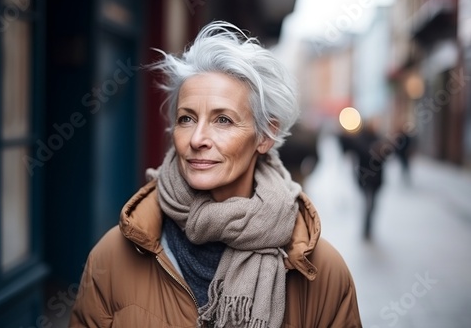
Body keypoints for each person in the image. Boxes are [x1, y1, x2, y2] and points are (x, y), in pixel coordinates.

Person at [69, 21, 362, 328]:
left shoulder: (320, 271)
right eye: (186, 118)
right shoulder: (113, 257)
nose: (197, 139)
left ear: (265, 136)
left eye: (222, 120)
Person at [339, 120, 390, 240]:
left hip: (377, 178)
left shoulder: (379, 138)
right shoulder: (360, 139)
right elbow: (357, 151)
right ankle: (366, 229)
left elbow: (386, 155)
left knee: (373, 205)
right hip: (365, 177)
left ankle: (369, 227)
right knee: (368, 203)